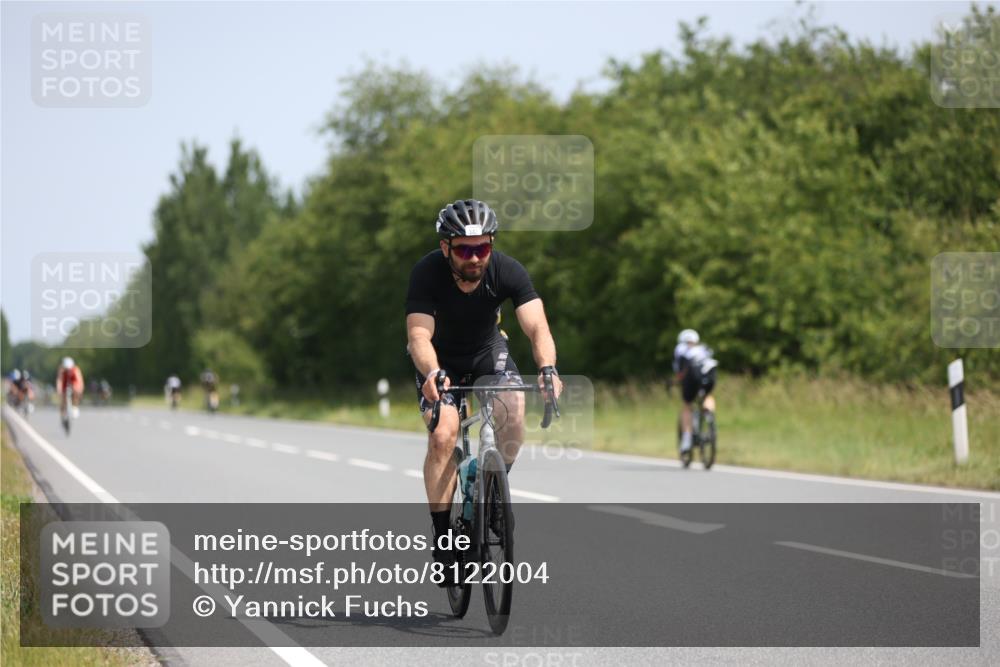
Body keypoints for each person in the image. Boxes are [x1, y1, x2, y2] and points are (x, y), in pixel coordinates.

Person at [405, 199, 562, 579]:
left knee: (514, 409)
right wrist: (431, 373)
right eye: (465, 249)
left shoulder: (507, 270)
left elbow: (537, 327)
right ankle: (443, 538)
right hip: (439, 359)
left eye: (483, 248)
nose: (475, 258)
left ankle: (493, 489)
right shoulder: (427, 272)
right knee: (444, 433)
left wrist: (547, 368)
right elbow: (418, 335)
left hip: (486, 351)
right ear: (446, 248)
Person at [673, 329, 718, 454]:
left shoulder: (681, 348)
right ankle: (709, 418)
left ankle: (687, 439)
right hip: (709, 375)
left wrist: (677, 381)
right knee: (707, 395)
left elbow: (679, 371)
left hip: (691, 377)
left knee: (687, 404)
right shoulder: (704, 348)